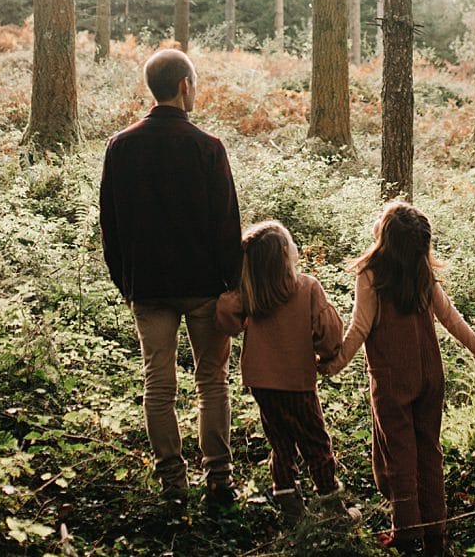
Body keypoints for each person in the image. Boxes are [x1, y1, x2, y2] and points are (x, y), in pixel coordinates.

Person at [99, 48, 242, 506]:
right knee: (212, 381)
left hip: (150, 288)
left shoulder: (121, 146)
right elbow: (227, 224)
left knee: (158, 385)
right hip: (204, 287)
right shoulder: (208, 147)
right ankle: (219, 479)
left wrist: (128, 282)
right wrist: (232, 286)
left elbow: (110, 224)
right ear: (184, 85)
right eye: (195, 83)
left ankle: (172, 484)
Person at [321, 201, 475, 555]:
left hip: (391, 378)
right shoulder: (422, 271)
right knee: (429, 452)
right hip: (430, 375)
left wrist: (335, 362)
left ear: (385, 238)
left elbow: (360, 326)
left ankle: (407, 533)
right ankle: (436, 534)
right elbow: (450, 316)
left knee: (399, 456)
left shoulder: (372, 273)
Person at [215, 221, 360, 525]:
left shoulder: (250, 293)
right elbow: (329, 331)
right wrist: (327, 355)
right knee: (316, 444)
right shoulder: (306, 287)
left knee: (280, 443)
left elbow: (226, 317)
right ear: (285, 253)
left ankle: (289, 504)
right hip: (297, 382)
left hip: (262, 383)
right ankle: (332, 507)